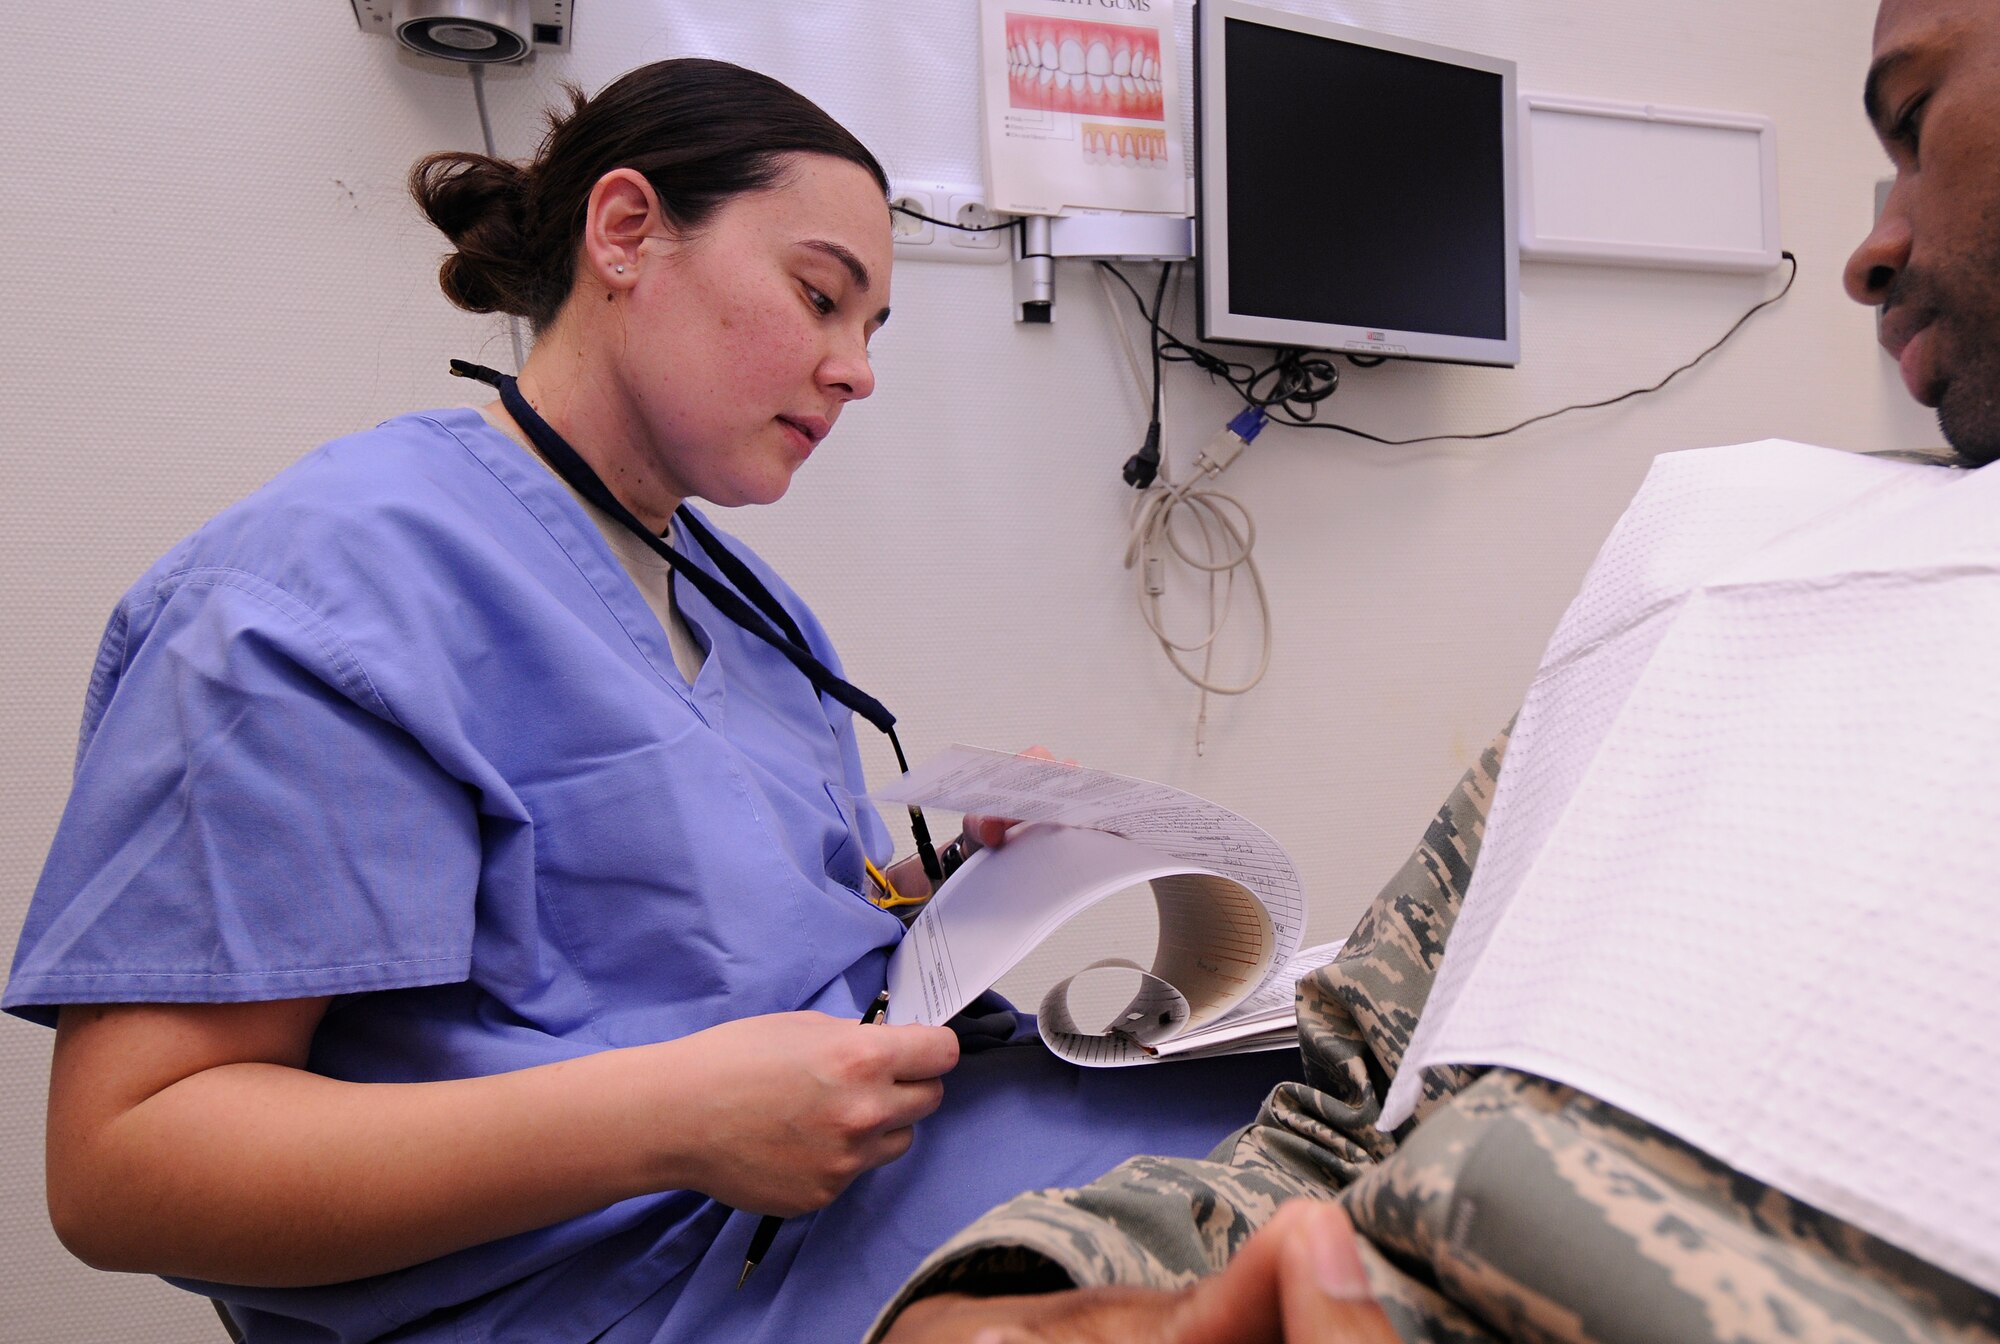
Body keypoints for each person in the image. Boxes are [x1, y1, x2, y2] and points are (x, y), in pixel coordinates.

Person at [2, 58, 1295, 1344]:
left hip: (863, 1173)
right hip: (634, 1289)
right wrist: (675, 1122)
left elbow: (713, 941)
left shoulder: (749, 608)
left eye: (872, 331)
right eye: (821, 297)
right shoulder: (327, 586)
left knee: (1334, 1084)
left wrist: (958, 885)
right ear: (624, 233)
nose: (856, 371)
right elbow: (125, 1168)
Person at [866, 0, 2000, 1339]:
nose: (1869, 252)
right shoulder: (1727, 574)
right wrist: (1012, 1304)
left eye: (1914, 121)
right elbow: (1330, 1130)